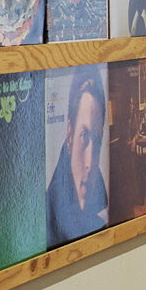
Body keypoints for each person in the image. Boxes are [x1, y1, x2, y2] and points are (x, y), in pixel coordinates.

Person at [48, 75, 109, 243]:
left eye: (97, 142)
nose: (90, 163)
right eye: (84, 137)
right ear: (70, 136)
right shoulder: (44, 221)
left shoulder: (99, 222)